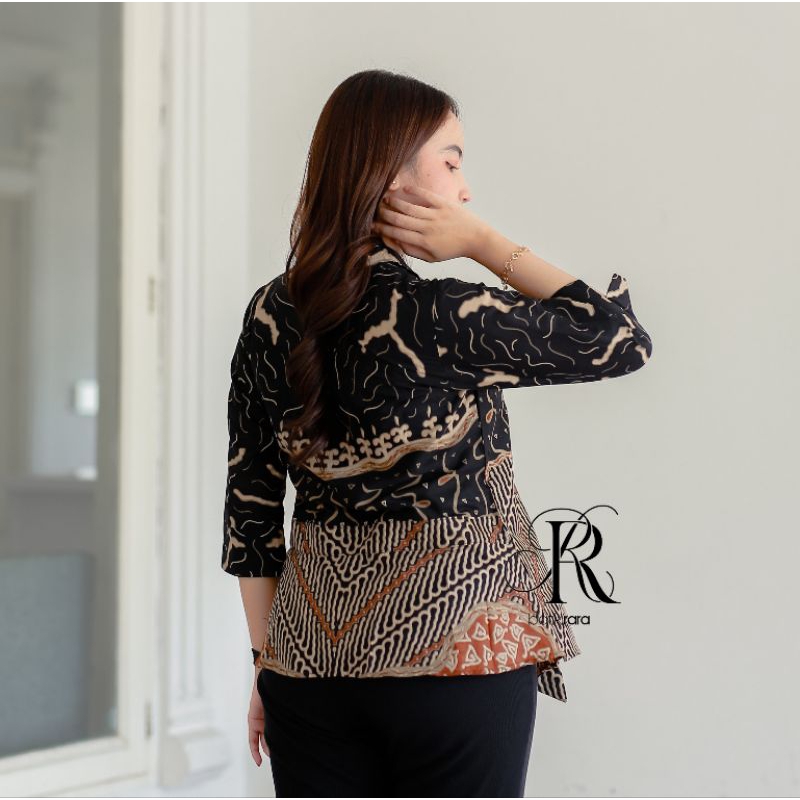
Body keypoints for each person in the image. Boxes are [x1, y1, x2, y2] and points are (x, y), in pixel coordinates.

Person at [221, 69, 654, 797]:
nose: (465, 189)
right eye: (452, 162)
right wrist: (483, 242)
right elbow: (619, 338)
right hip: (458, 655)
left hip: (307, 665)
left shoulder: (271, 313)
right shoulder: (444, 315)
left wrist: (268, 665)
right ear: (391, 174)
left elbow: (250, 513)